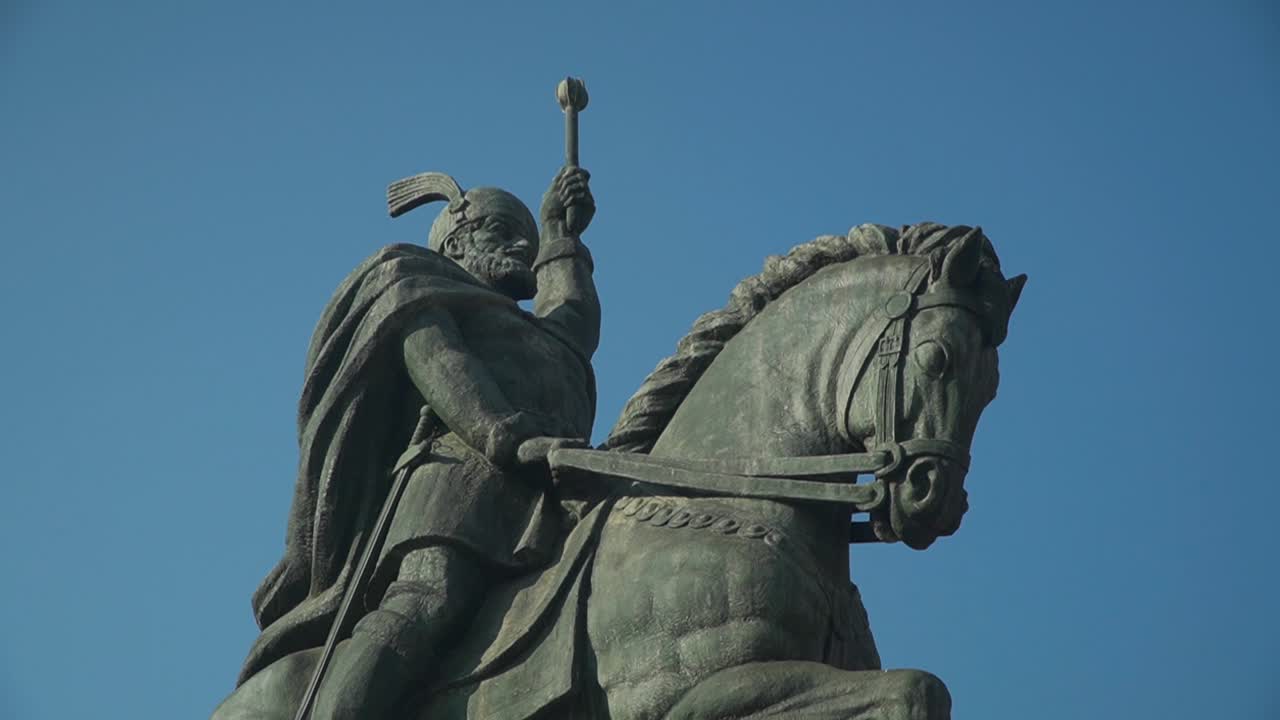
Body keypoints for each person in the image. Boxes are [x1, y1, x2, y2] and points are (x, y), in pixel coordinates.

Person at [235, 167, 600, 719]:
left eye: (529, 235)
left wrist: (562, 236)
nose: (523, 246)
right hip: (455, 490)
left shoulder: (536, 332)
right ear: (457, 240)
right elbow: (442, 365)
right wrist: (501, 435)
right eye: (504, 230)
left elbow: (573, 323)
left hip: (555, 487)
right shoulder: (415, 286)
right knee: (426, 604)